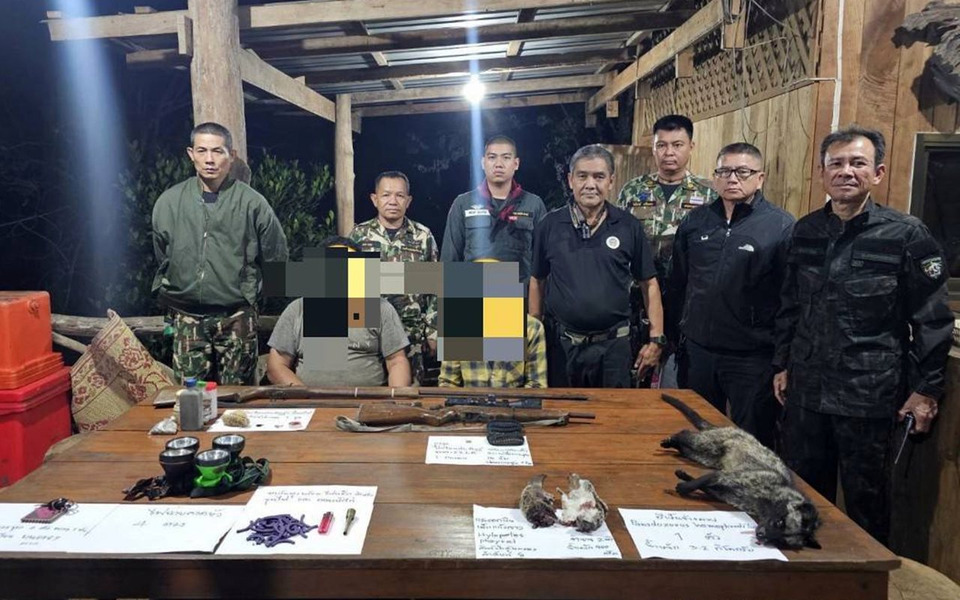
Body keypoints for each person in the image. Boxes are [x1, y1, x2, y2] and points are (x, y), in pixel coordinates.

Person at [774, 125, 953, 544]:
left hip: (869, 397)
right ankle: (808, 573)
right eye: (836, 163)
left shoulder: (906, 234)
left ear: (878, 173)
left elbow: (932, 319)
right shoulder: (805, 231)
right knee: (802, 499)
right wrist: (781, 364)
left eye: (858, 163)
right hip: (807, 393)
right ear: (822, 173)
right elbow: (790, 306)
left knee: (866, 506)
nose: (846, 171)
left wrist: (926, 390)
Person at [670, 142, 794, 448]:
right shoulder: (695, 222)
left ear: (760, 178)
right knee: (698, 437)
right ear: (715, 177)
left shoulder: (780, 227)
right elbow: (679, 283)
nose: (732, 178)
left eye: (742, 172)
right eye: (724, 171)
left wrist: (782, 360)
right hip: (698, 352)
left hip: (751, 358)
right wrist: (675, 337)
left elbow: (790, 299)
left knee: (750, 442)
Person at [152, 122, 288, 385]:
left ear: (231, 155)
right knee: (190, 394)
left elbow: (276, 255)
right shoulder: (169, 201)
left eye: (217, 151)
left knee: (238, 393)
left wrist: (252, 292)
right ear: (191, 154)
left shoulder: (252, 203)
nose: (209, 159)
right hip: (186, 314)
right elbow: (163, 253)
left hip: (236, 314)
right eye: (202, 151)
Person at [529, 144, 663, 388]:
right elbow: (537, 280)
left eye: (599, 176)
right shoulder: (549, 225)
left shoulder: (629, 226)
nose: (590, 184)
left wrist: (656, 339)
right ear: (570, 180)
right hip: (562, 348)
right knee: (561, 410)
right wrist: (533, 334)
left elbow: (649, 284)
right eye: (582, 176)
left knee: (614, 411)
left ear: (611, 181)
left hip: (614, 349)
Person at [617, 114, 717, 387]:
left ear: (691, 147)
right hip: (637, 301)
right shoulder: (633, 191)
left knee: (679, 381)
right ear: (653, 148)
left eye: (677, 145)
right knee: (634, 376)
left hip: (685, 301)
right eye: (662, 145)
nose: (669, 152)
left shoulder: (709, 194)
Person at [266, 237, 412, 387]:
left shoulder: (380, 308)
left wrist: (395, 397)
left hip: (368, 398)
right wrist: (304, 395)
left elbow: (396, 361)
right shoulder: (297, 309)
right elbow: (277, 365)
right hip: (309, 398)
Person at [349, 171, 438, 384]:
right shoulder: (359, 235)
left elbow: (436, 288)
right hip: (370, 336)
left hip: (411, 335)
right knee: (368, 393)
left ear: (408, 201)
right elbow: (350, 286)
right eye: (386, 195)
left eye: (399, 195)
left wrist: (433, 331)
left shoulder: (422, 236)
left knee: (407, 395)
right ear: (375, 199)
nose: (393, 201)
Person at [440, 135, 546, 287]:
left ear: (516, 163)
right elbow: (449, 261)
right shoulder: (463, 203)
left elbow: (543, 262)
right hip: (475, 294)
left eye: (506, 158)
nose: (498, 164)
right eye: (492, 157)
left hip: (520, 295)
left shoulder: (533, 204)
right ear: (483, 163)